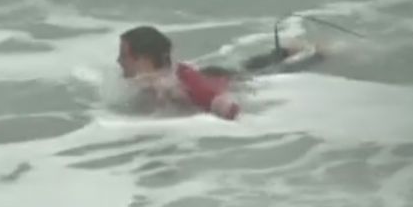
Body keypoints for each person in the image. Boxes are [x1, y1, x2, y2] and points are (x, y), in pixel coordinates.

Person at [116, 23, 318, 120]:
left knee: (273, 69)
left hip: (223, 79)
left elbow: (229, 109)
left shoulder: (180, 83)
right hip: (212, 73)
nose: (119, 61)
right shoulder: (151, 82)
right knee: (254, 65)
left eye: (124, 55)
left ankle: (316, 52)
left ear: (143, 59)